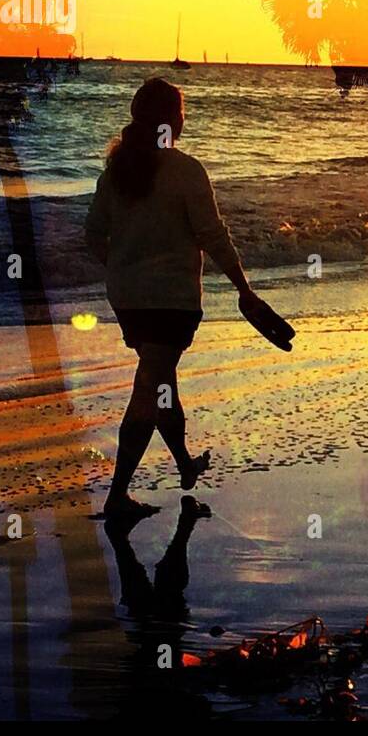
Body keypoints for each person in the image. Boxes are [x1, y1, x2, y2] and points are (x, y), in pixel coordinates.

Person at [86, 77, 261, 521]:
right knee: (148, 389)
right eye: (181, 111)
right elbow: (212, 236)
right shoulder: (185, 170)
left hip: (127, 298)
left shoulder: (117, 171)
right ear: (173, 120)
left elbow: (92, 235)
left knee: (160, 382)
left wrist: (122, 269)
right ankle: (117, 496)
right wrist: (243, 288)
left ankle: (184, 464)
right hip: (171, 300)